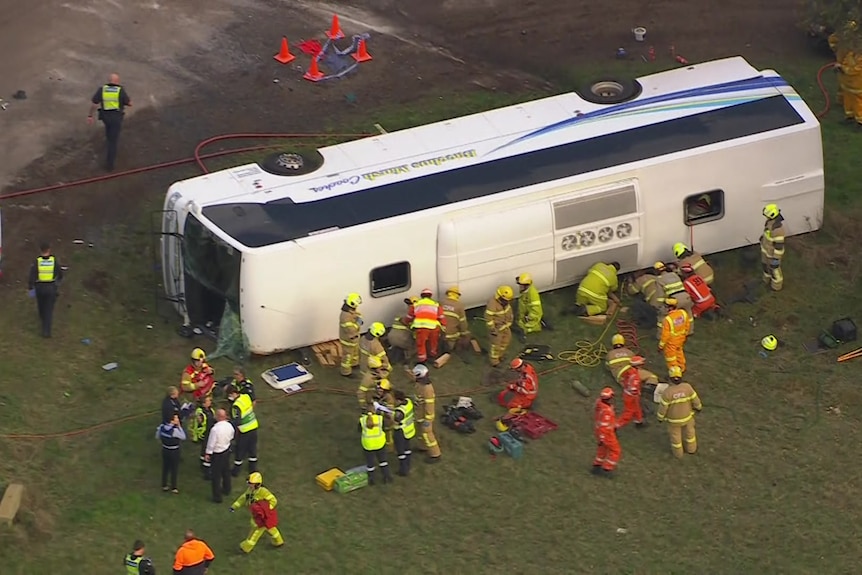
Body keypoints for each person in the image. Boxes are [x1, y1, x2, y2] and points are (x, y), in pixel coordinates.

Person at [230, 472, 284, 553]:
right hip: (260, 515)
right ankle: (278, 542)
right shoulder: (250, 491)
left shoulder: (263, 492)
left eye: (251, 483)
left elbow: (273, 500)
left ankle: (245, 548)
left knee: (255, 531)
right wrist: (234, 506)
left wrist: (266, 511)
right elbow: (243, 498)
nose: (249, 485)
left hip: (261, 517)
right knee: (270, 528)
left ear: (257, 484)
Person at [87, 73, 132, 171]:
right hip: (116, 117)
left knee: (108, 132)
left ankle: (108, 139)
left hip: (105, 117)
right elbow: (129, 103)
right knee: (113, 142)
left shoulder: (102, 89)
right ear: (117, 81)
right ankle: (109, 165)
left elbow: (94, 103)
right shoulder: (120, 90)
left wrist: (90, 115)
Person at [657, 366, 703, 458]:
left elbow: (663, 408)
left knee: (675, 437)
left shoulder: (667, 392)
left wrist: (660, 418)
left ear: (670, 379)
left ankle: (678, 454)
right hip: (687, 417)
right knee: (690, 433)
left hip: (674, 420)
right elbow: (695, 399)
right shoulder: (687, 387)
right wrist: (698, 407)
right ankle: (691, 449)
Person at [27, 241, 64, 338]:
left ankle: (43, 322)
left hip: (39, 287)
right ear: (49, 249)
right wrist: (57, 282)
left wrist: (31, 288)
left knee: (41, 307)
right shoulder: (53, 260)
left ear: (40, 250)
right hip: (51, 287)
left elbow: (32, 275)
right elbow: (60, 274)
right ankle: (46, 331)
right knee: (49, 309)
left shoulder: (37, 261)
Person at [830, 28, 862, 126]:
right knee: (848, 101)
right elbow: (845, 62)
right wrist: (840, 67)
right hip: (848, 84)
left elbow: (856, 69)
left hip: (857, 85)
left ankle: (860, 122)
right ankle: (850, 117)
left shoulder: (859, 57)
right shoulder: (851, 53)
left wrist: (842, 68)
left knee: (858, 103)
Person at [406, 288, 446, 363]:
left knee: (421, 343)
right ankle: (433, 355)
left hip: (421, 327)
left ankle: (422, 359)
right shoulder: (436, 304)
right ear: (431, 296)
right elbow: (441, 317)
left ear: (421, 296)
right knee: (433, 342)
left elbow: (409, 317)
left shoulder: (416, 304)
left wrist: (407, 322)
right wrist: (444, 326)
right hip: (434, 327)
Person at [412, 364, 441, 462]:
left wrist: (427, 420)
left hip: (426, 416)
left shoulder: (427, 389)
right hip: (419, 414)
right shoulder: (419, 384)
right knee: (420, 432)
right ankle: (423, 447)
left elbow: (429, 406)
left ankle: (435, 454)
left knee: (427, 434)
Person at [227, 385, 259, 477]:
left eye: (229, 395)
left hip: (244, 430)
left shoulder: (236, 406)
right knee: (252, 449)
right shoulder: (246, 396)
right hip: (253, 425)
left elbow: (237, 420)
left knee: (240, 450)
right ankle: (252, 468)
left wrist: (228, 422)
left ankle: (236, 470)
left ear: (233, 393)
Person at [654, 261, 694, 334]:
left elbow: (660, 296)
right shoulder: (674, 274)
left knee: (662, 316)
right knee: (689, 314)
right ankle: (690, 331)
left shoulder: (659, 280)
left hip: (675, 300)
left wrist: (660, 306)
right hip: (686, 297)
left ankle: (660, 335)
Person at [205, 408, 235, 504]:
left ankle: (217, 497)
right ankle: (227, 489)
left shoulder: (215, 429)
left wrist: (208, 453)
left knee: (216, 476)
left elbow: (211, 443)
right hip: (226, 450)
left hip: (217, 454)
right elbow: (232, 436)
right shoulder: (229, 426)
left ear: (218, 417)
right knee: (226, 471)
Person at [592, 387, 620, 478]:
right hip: (606, 434)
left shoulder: (600, 404)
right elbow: (604, 425)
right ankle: (607, 468)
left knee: (602, 449)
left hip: (600, 432)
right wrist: (602, 438)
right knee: (616, 450)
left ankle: (597, 465)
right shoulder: (606, 411)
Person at [359, 410, 393, 485]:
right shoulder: (380, 419)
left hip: (368, 445)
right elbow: (384, 428)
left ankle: (371, 480)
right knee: (383, 461)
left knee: (370, 463)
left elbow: (359, 430)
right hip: (379, 443)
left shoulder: (362, 420)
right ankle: (387, 477)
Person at [659, 298, 691, 374]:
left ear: (669, 307)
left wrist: (661, 346)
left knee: (671, 358)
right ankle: (681, 368)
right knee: (679, 353)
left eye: (665, 307)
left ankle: (675, 374)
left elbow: (665, 335)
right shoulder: (683, 313)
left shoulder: (668, 319)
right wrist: (684, 335)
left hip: (671, 342)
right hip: (681, 339)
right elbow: (687, 325)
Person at [156, 413, 187, 494]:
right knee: (174, 468)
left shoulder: (162, 427)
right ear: (172, 421)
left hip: (165, 449)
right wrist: (179, 426)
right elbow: (183, 437)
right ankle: (174, 487)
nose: (178, 419)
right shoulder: (174, 431)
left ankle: (164, 485)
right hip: (174, 451)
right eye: (176, 418)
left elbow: (157, 436)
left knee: (165, 468)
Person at [484, 286, 514, 367]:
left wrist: (510, 321)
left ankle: (500, 355)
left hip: (505, 327)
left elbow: (509, 311)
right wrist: (492, 329)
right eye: (505, 300)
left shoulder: (505, 303)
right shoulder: (492, 304)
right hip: (497, 330)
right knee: (495, 346)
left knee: (506, 341)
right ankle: (494, 362)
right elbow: (488, 318)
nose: (506, 302)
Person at [514, 272, 548, 342]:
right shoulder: (526, 291)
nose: (520, 287)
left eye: (521, 285)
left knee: (521, 326)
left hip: (529, 317)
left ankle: (523, 333)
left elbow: (536, 310)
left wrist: (529, 317)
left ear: (526, 285)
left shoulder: (532, 294)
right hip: (525, 313)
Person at [760, 203, 785, 292]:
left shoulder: (778, 229)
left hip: (772, 254)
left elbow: (779, 247)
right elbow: (768, 234)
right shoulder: (770, 223)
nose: (766, 218)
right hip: (766, 250)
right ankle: (766, 281)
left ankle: (776, 287)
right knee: (765, 266)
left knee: (775, 270)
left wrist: (776, 259)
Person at [190, 395, 216, 480]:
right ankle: (206, 471)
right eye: (208, 401)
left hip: (210, 432)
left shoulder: (210, 410)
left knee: (205, 451)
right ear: (204, 403)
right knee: (207, 452)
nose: (210, 402)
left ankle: (204, 464)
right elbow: (200, 421)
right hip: (204, 434)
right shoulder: (200, 412)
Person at [392, 389, 415, 476]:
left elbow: (395, 420)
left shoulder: (399, 411)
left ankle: (403, 470)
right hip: (409, 430)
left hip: (400, 432)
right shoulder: (408, 402)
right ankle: (408, 465)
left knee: (401, 452)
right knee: (407, 449)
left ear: (398, 400)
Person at [441, 286, 471, 353]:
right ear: (457, 295)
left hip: (439, 333)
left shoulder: (441, 302)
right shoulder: (460, 306)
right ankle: (452, 348)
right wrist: (464, 333)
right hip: (451, 335)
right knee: (465, 335)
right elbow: (463, 322)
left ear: (448, 293)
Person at [339, 293, 363, 377]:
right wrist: (358, 323)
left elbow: (355, 314)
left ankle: (354, 364)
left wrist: (358, 317)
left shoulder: (349, 310)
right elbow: (351, 329)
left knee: (355, 352)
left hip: (354, 338)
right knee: (348, 356)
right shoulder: (345, 316)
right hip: (348, 340)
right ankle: (346, 372)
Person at [387, 297, 417, 364]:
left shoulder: (400, 312)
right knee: (416, 345)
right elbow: (414, 330)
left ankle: (392, 350)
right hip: (403, 340)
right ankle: (407, 357)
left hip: (390, 338)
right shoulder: (415, 315)